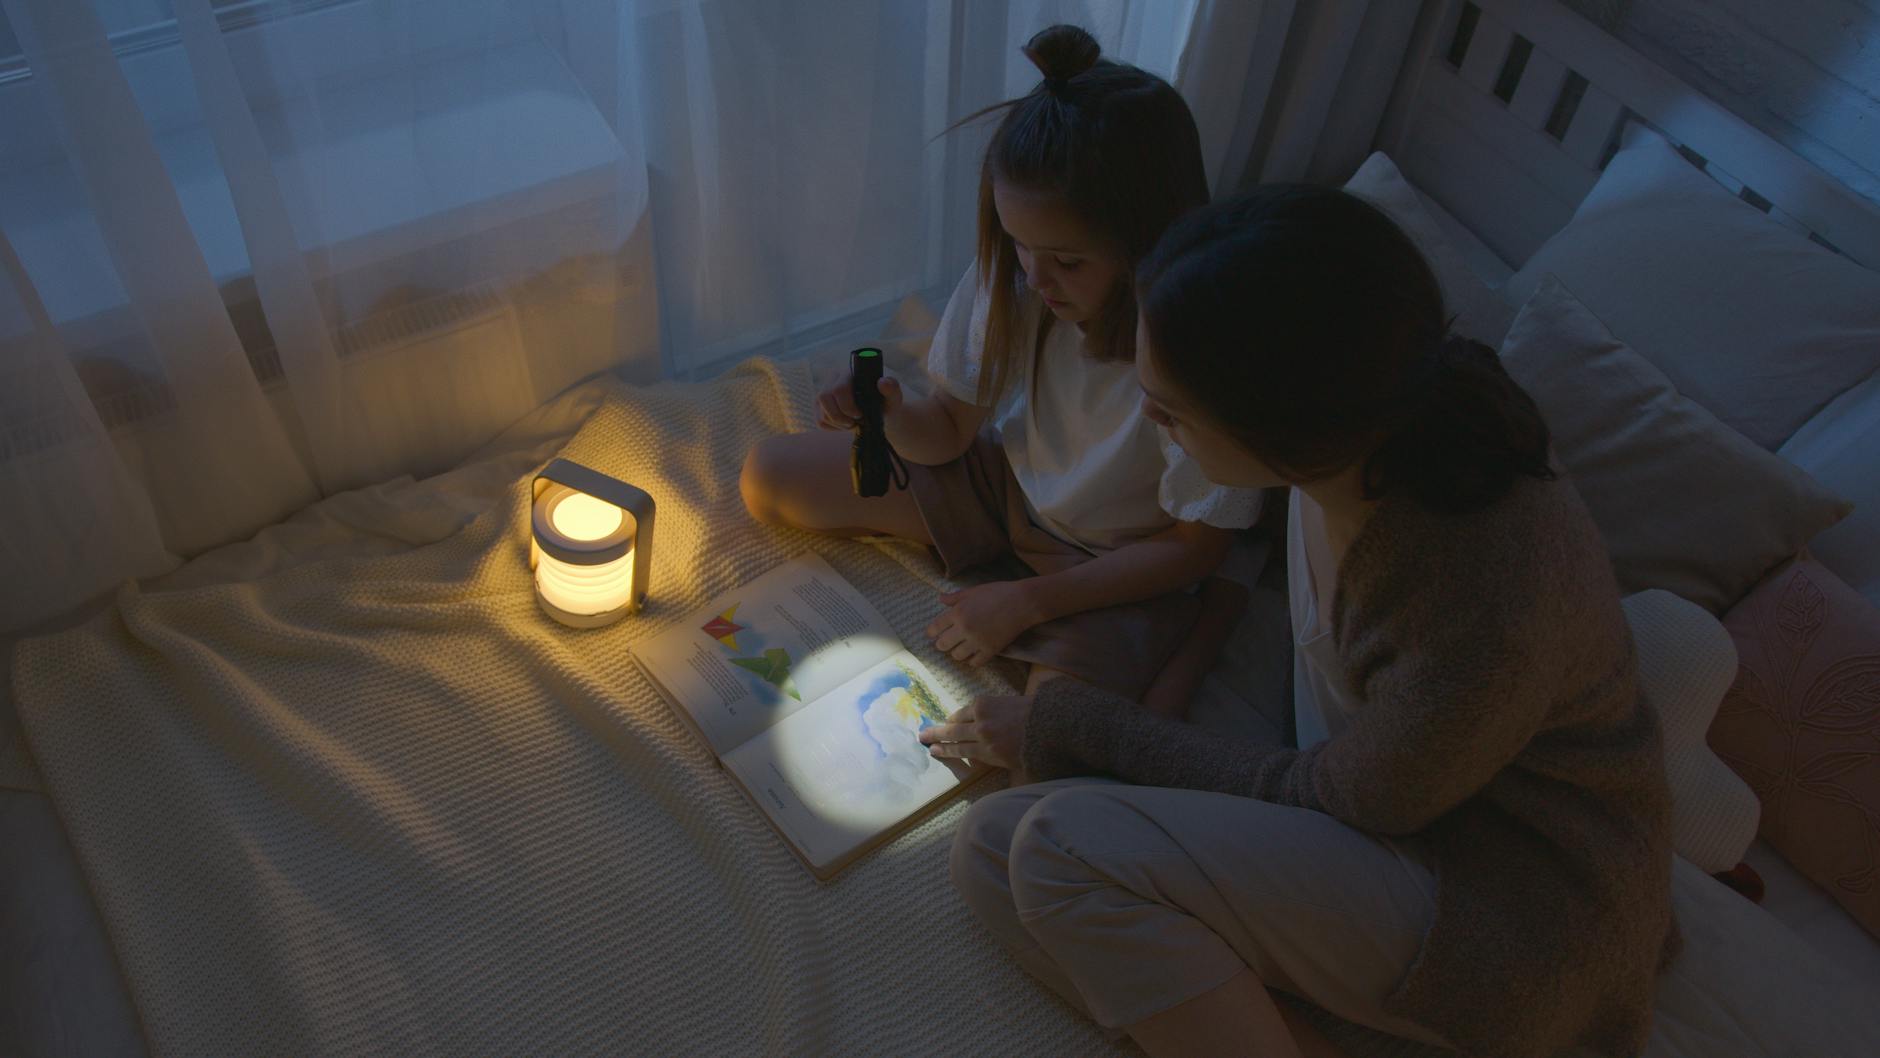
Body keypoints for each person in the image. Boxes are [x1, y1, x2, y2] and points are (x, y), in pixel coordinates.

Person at [922, 186, 1678, 1058]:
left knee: (1059, 846)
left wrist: (1075, 723)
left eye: (1168, 412)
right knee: (987, 852)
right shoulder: (1362, 423)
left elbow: (1348, 797)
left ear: (1278, 420)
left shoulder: (1478, 590)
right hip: (1367, 791)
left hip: (1503, 906)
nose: (1153, 425)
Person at [739, 25, 1257, 721]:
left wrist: (1027, 602)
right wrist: (891, 417)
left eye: (1068, 262)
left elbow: (1196, 548)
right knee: (768, 477)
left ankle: (1190, 633)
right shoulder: (1020, 281)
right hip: (1009, 487)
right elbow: (949, 431)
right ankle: (1031, 580)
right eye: (1018, 246)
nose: (1036, 278)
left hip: (1120, 561)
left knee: (1050, 744)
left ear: (1149, 244)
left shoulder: (1192, 351)